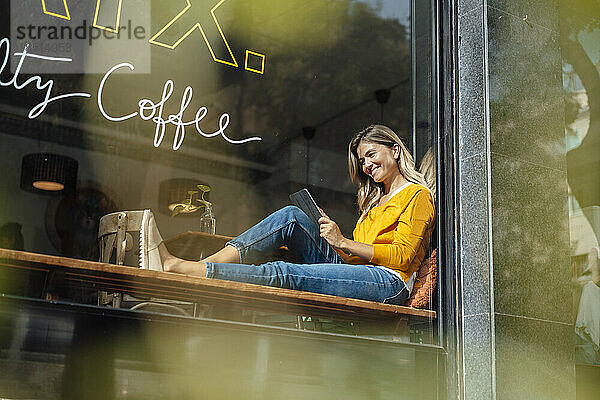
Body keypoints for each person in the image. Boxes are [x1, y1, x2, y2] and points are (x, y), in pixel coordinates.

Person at [140, 125, 436, 305]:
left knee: (285, 272)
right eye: (362, 161)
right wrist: (332, 237)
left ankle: (185, 271)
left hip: (390, 282)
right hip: (362, 272)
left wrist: (344, 242)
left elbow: (403, 258)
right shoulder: (373, 201)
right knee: (292, 217)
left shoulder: (417, 195)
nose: (367, 166)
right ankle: (204, 265)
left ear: (395, 150)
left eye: (372, 155)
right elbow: (352, 261)